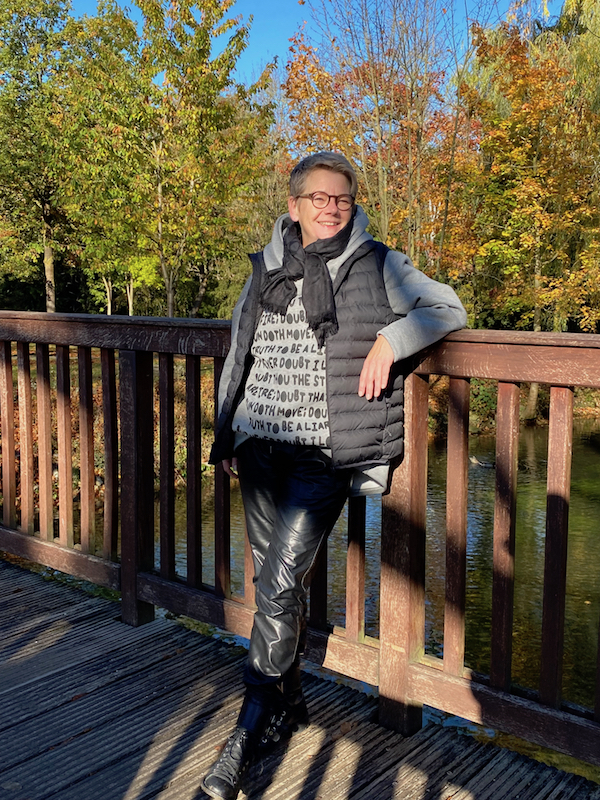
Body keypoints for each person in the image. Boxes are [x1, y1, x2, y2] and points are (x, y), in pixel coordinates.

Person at [202, 151, 467, 800]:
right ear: (294, 206)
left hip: (323, 453)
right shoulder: (266, 268)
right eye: (318, 198)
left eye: (341, 199)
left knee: (280, 581)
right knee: (275, 585)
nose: (331, 208)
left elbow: (447, 308)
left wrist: (390, 341)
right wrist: (225, 434)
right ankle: (290, 700)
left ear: (353, 206)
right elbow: (241, 352)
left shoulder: (379, 264)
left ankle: (249, 726)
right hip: (259, 445)